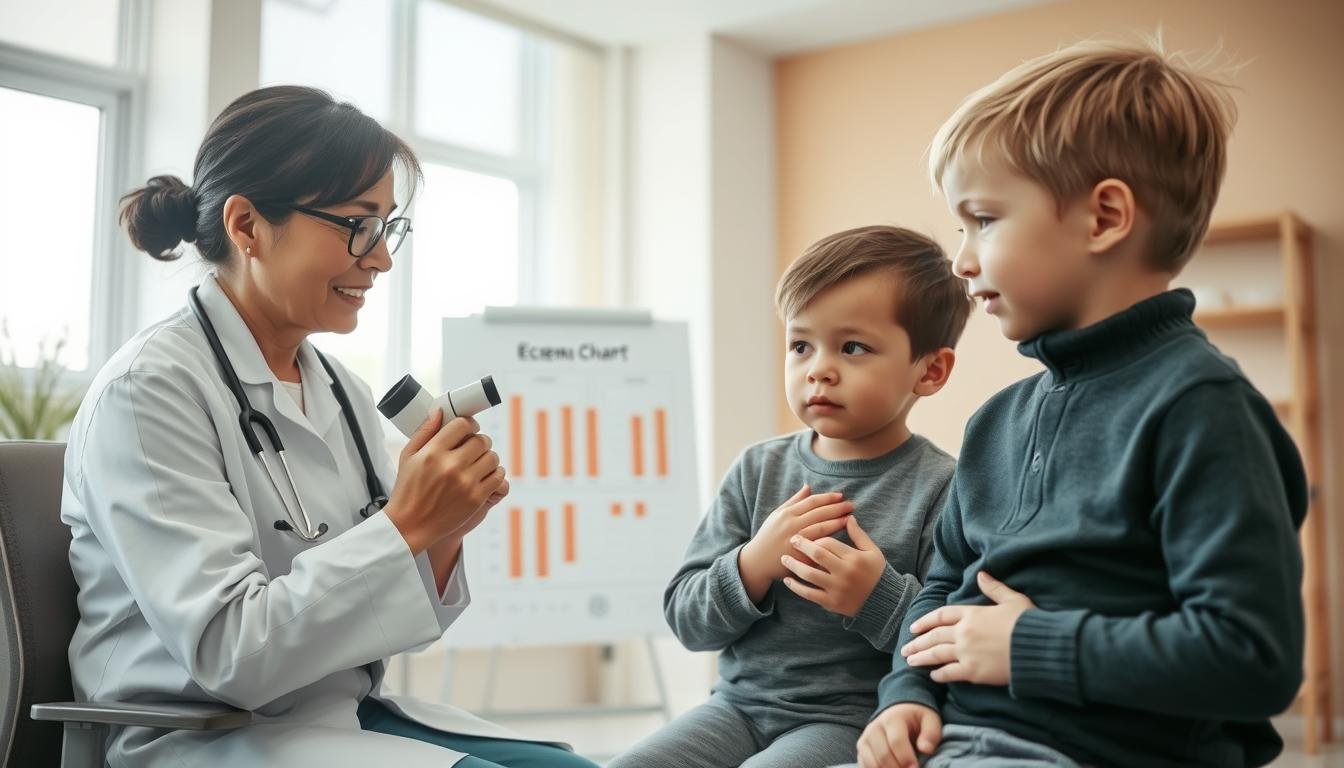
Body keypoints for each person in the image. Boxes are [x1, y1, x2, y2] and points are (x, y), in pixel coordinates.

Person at [62, 85, 599, 768]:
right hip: (199, 737)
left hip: (340, 718)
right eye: (357, 225)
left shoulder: (341, 389)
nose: (380, 259)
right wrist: (406, 525)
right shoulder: (148, 392)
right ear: (247, 225)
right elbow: (230, 653)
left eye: (387, 227)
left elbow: (402, 621)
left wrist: (443, 529)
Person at [850, 40, 1306, 768]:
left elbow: (1252, 656)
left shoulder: (1201, 408)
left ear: (1104, 218)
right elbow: (942, 588)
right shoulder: (997, 422)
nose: (962, 260)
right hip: (959, 740)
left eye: (984, 220)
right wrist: (906, 692)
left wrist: (1032, 646)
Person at [608, 226, 972, 768]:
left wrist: (875, 597)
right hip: (734, 709)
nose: (818, 369)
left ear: (930, 370)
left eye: (853, 347)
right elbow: (687, 619)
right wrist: (753, 564)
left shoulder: (943, 488)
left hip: (851, 721)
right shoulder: (758, 469)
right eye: (800, 345)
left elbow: (945, 646)